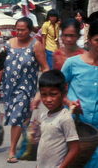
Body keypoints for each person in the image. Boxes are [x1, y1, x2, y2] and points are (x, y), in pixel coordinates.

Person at [0, 17, 49, 164]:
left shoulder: (36, 46)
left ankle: (12, 150)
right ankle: (24, 142)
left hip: (26, 88)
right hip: (9, 88)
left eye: (22, 29)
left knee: (17, 115)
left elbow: (45, 67)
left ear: (30, 30)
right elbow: (1, 66)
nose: (19, 32)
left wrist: (45, 87)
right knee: (21, 116)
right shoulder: (8, 44)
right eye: (17, 29)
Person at [61, 20, 98, 168]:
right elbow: (56, 91)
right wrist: (69, 103)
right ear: (89, 40)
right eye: (97, 40)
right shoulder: (72, 63)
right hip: (76, 126)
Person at [36, 70, 79, 168]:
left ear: (63, 93)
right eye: (44, 95)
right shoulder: (44, 116)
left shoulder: (65, 118)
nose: (48, 100)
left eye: (53, 94)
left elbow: (74, 148)